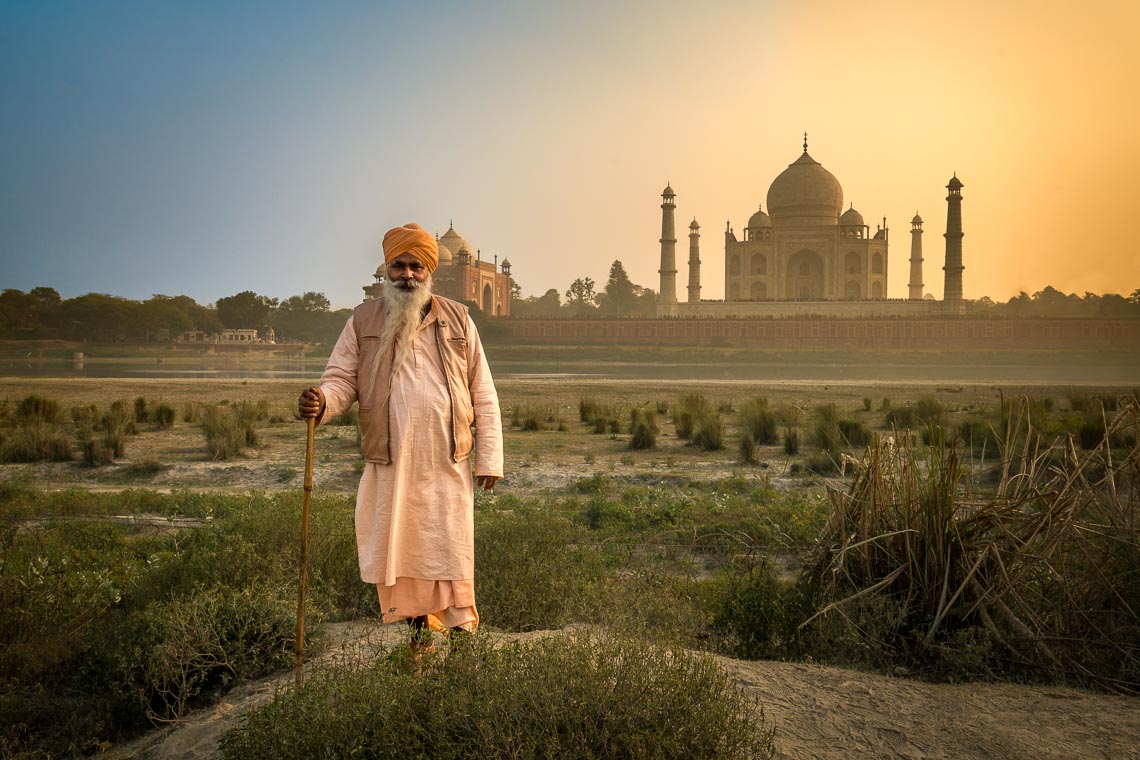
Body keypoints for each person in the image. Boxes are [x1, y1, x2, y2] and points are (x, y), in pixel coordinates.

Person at [298, 222, 503, 655]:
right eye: (398, 266)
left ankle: (465, 645)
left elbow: (481, 388)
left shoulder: (458, 318)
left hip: (447, 461)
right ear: (386, 270)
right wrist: (323, 402)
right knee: (403, 555)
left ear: (430, 271)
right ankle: (418, 640)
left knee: (450, 553)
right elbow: (341, 379)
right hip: (391, 461)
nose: (406, 275)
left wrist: (489, 458)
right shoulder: (364, 320)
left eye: (415, 266)